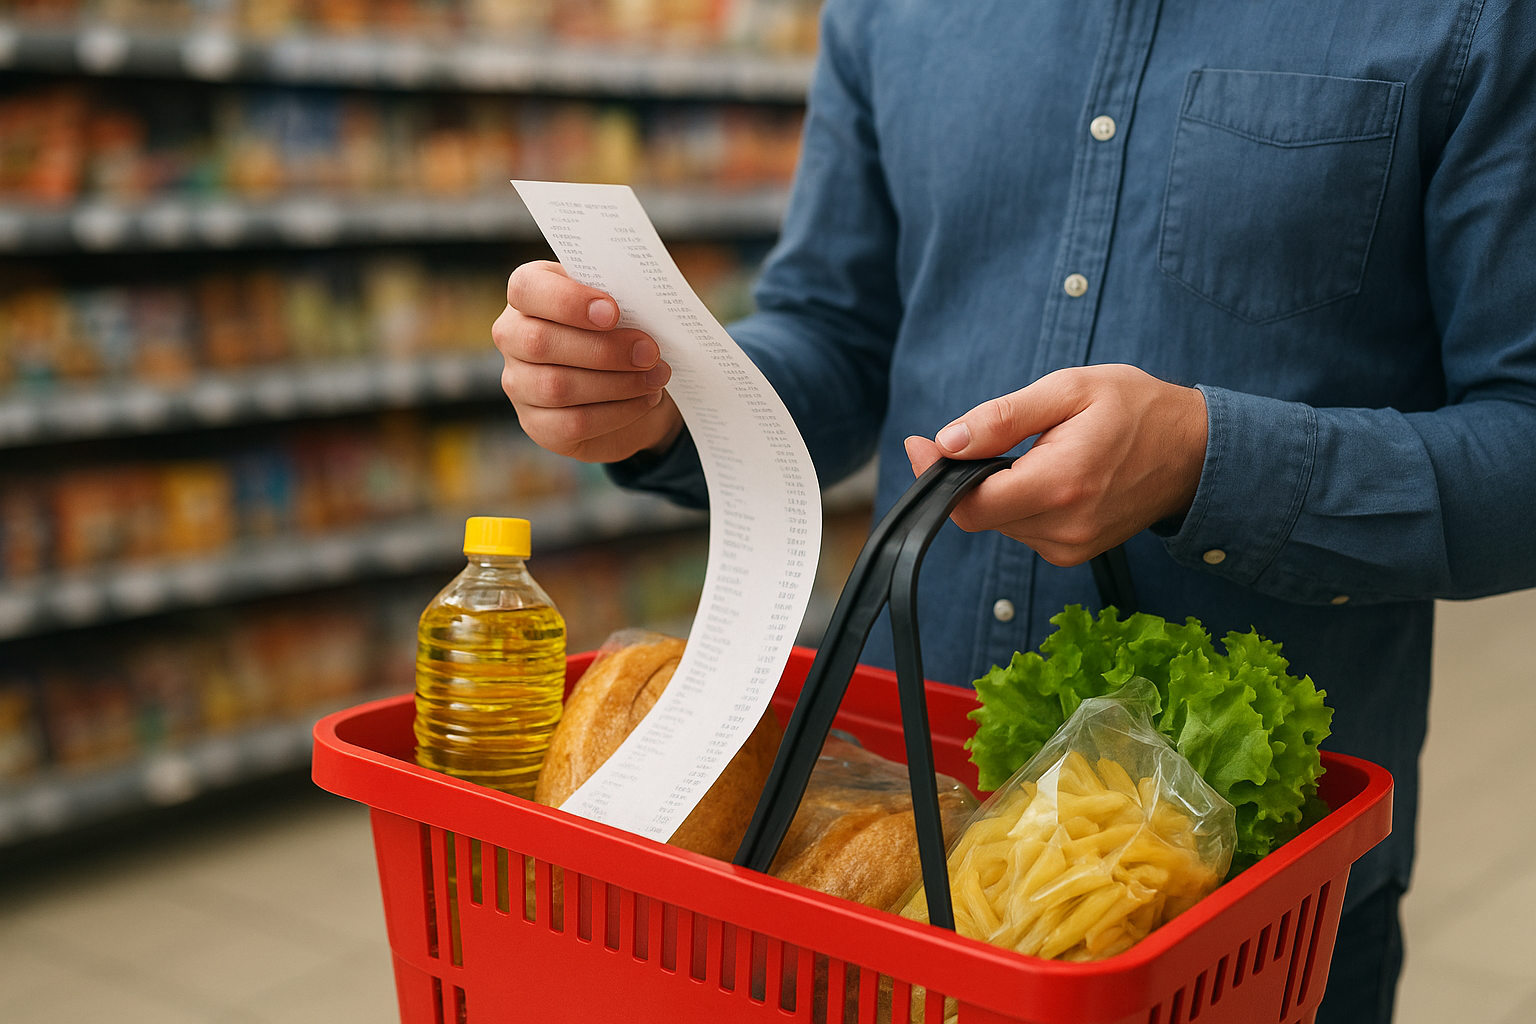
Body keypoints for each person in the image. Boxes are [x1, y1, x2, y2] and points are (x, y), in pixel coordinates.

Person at [492, 2, 1536, 1020]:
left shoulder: (1472, 19)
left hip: (1251, 914)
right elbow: (837, 332)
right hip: (898, 846)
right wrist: (667, 399)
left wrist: (1204, 460)